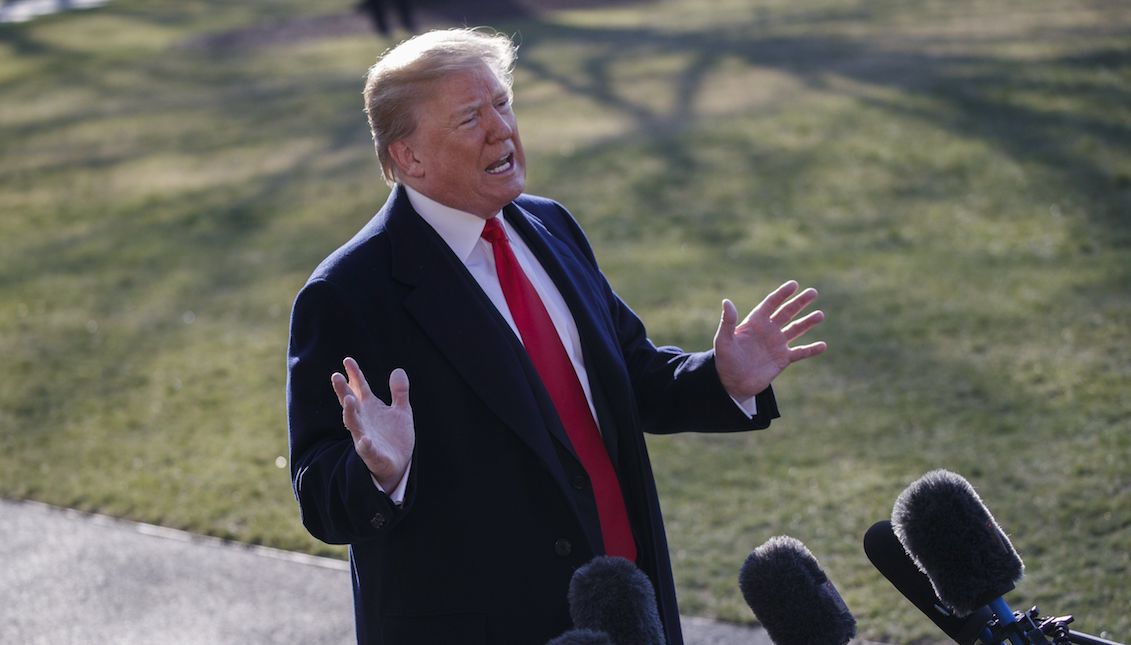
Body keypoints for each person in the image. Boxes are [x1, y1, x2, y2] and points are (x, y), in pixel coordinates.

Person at [286, 28, 826, 645]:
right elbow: (321, 496)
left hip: (625, 602)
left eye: (503, 103)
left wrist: (720, 378)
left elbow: (629, 373)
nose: (501, 130)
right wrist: (379, 470)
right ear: (410, 157)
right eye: (470, 118)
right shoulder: (348, 293)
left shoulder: (550, 225)